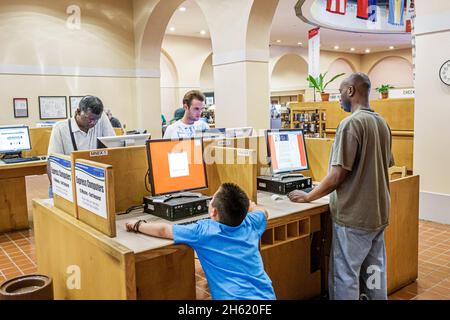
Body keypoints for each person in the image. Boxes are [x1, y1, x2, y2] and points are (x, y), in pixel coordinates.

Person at [288, 73, 394, 300]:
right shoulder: (382, 123)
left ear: (351, 91)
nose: (338, 98)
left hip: (354, 218)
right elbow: (383, 165)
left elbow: (337, 176)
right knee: (374, 272)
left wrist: (308, 197)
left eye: (340, 92)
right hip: (378, 215)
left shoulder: (351, 124)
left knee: (346, 275)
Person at [125, 183, 276, 300]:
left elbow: (163, 230)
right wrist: (252, 207)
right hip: (266, 295)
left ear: (213, 212)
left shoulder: (203, 231)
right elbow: (263, 212)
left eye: (212, 199)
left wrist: (137, 225)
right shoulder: (250, 222)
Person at [47, 95, 115, 197]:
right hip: (67, 184)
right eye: (90, 119)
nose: (93, 123)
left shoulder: (100, 119)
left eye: (97, 119)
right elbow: (52, 163)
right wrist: (59, 189)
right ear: (78, 112)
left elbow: (114, 147)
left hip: (92, 184)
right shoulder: (60, 128)